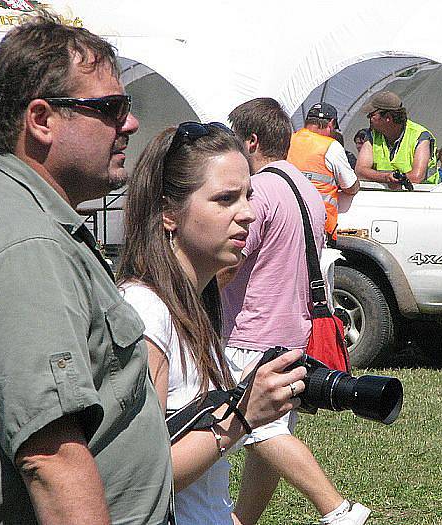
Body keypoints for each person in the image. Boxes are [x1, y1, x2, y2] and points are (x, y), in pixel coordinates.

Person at [0, 15, 173, 524]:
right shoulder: (23, 244)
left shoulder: (15, 215)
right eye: (111, 108)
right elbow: (51, 460)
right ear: (41, 120)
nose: (129, 123)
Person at [116, 121, 308, 525]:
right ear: (169, 212)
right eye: (225, 199)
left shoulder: (197, 306)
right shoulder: (146, 312)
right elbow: (141, 478)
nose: (249, 214)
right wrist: (241, 418)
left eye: (248, 196)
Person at [221, 97, 371, 525]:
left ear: (250, 142)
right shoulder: (304, 185)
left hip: (250, 329)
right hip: (292, 327)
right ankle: (242, 520)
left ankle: (337, 509)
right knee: (273, 431)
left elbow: (230, 260)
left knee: (258, 428)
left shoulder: (261, 189)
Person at [287, 102, 360, 245]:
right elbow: (351, 186)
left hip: (286, 220)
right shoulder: (331, 146)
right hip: (318, 224)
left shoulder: (287, 141)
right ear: (331, 124)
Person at [355, 91, 438, 188]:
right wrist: (386, 177)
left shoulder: (420, 136)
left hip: (423, 197)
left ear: (388, 118)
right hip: (387, 197)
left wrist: (390, 178)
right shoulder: (372, 135)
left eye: (371, 115)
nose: (369, 118)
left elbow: (416, 177)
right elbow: (360, 171)